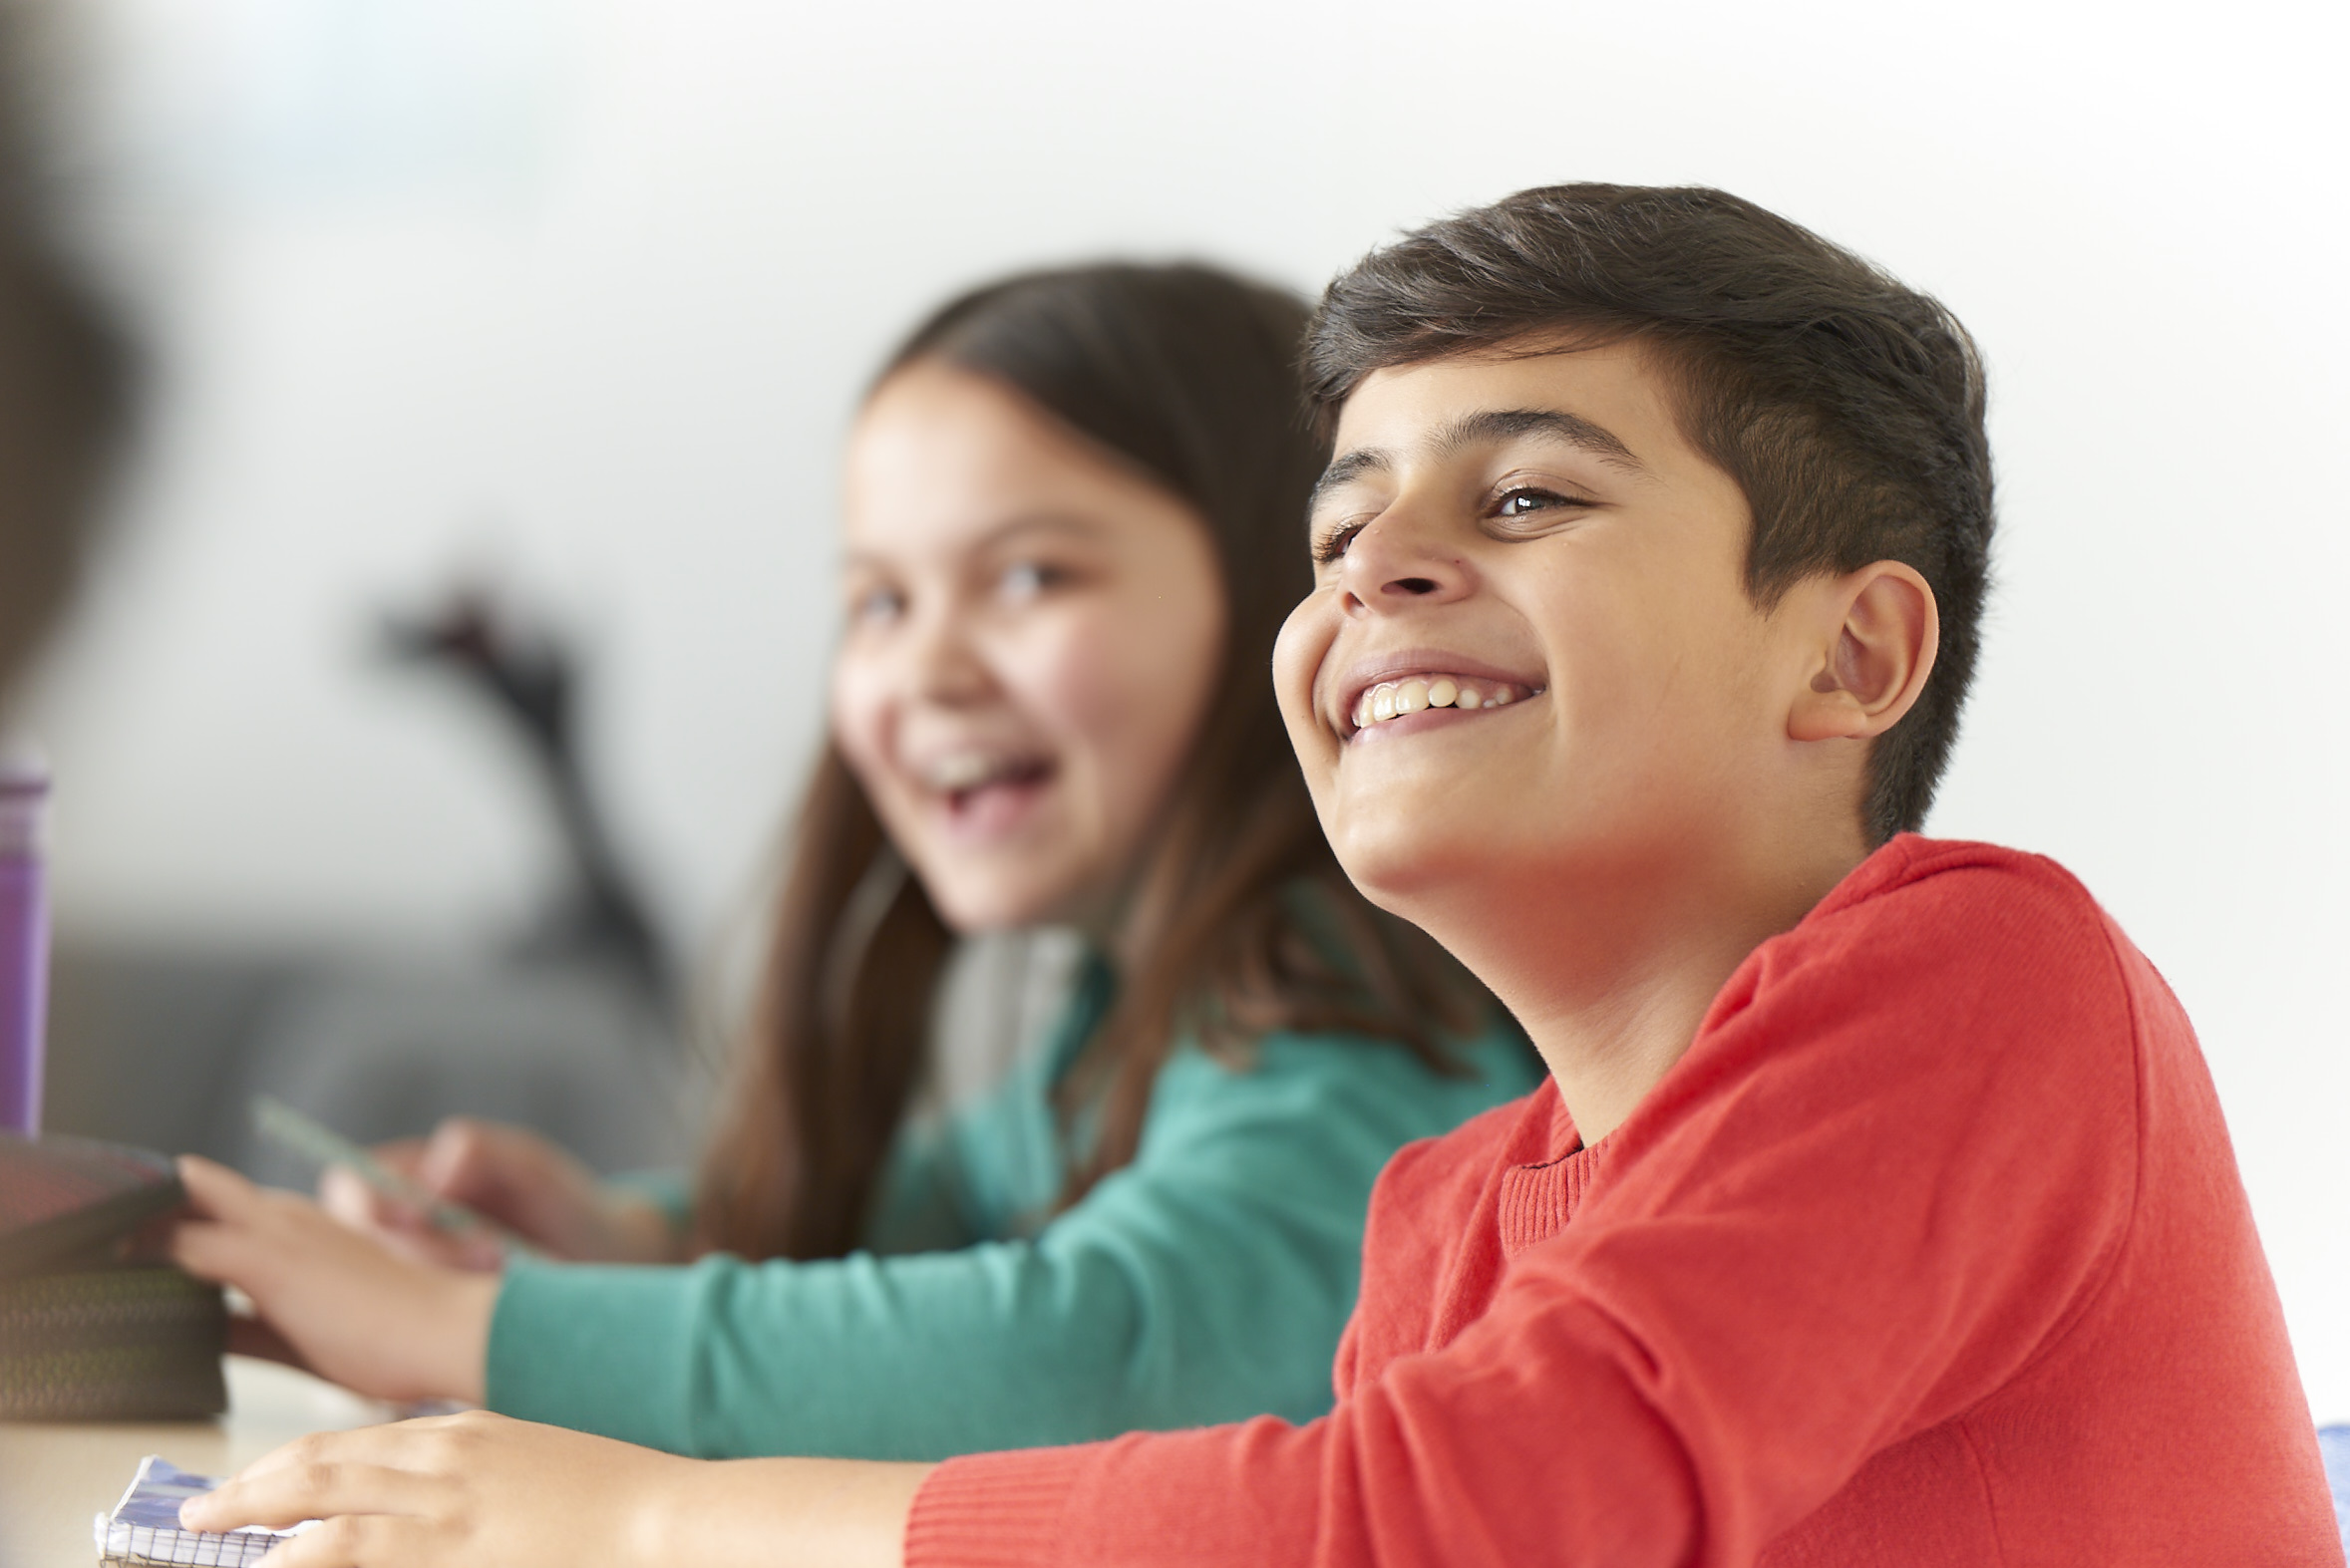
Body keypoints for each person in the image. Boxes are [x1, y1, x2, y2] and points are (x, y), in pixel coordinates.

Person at [177, 184, 2343, 1566]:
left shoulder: (1988, 979)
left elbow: (1430, 1523)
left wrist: (653, 1514)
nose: (1384, 565)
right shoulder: (1452, 1212)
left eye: (1525, 502)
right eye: (1344, 529)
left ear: (1850, 652)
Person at [168, 261, 1538, 1461]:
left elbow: (1098, 1349)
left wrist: (462, 1327)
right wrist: (628, 1237)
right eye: (878, 602)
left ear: (1295, 591)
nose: (926, 668)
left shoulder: (1347, 1009)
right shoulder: (1117, 1008)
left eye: (1027, 577)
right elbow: (929, 1223)